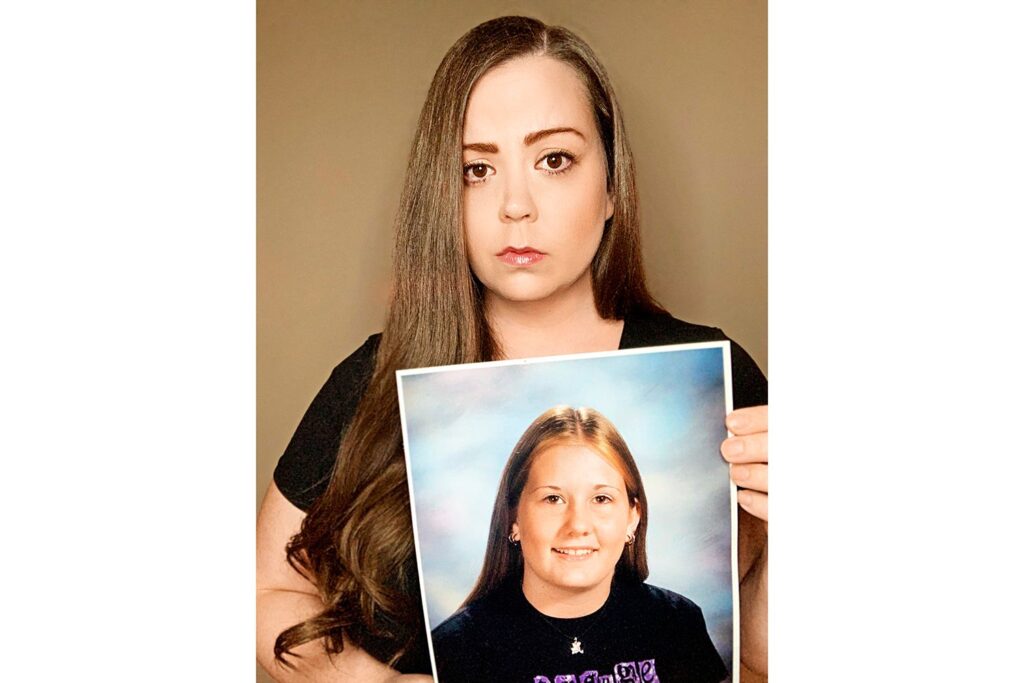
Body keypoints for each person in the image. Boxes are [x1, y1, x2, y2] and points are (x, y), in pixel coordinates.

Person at [256, 15, 769, 683]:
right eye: (477, 168)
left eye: (553, 159)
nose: (514, 205)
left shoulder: (719, 373)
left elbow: (757, 655)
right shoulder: (371, 380)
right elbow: (267, 589)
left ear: (611, 184)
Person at [431, 405, 729, 683]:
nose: (577, 526)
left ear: (632, 517)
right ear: (513, 519)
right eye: (553, 499)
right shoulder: (456, 649)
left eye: (601, 499)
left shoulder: (676, 623)